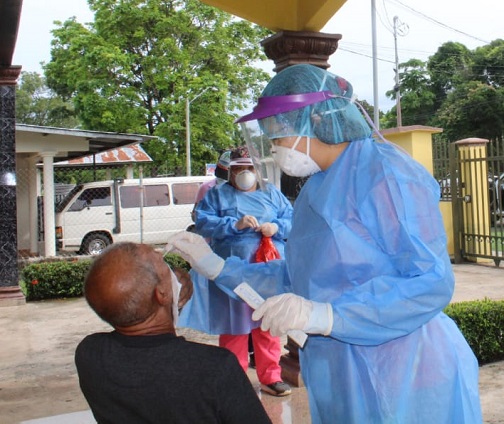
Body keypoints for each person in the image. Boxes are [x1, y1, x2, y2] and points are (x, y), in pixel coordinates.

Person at [168, 64, 482, 423]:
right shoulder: (316, 188)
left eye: (278, 133)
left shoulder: (387, 174)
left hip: (409, 367)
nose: (274, 147)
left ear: (315, 119)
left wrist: (327, 315)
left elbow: (430, 282)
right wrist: (215, 266)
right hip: (340, 372)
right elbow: (298, 278)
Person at [75, 242, 271, 424]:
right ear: (161, 294)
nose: (163, 257)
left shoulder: (90, 353)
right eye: (162, 262)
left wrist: (168, 297)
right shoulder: (214, 367)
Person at [178, 146, 294, 397]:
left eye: (249, 168)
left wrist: (277, 227)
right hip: (230, 275)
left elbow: (292, 220)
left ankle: (271, 377)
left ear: (258, 171)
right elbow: (203, 222)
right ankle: (235, 381)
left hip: (268, 271)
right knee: (234, 327)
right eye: (238, 169)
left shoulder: (272, 194)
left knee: (268, 325)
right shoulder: (217, 196)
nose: (244, 173)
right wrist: (233, 224)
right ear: (229, 172)